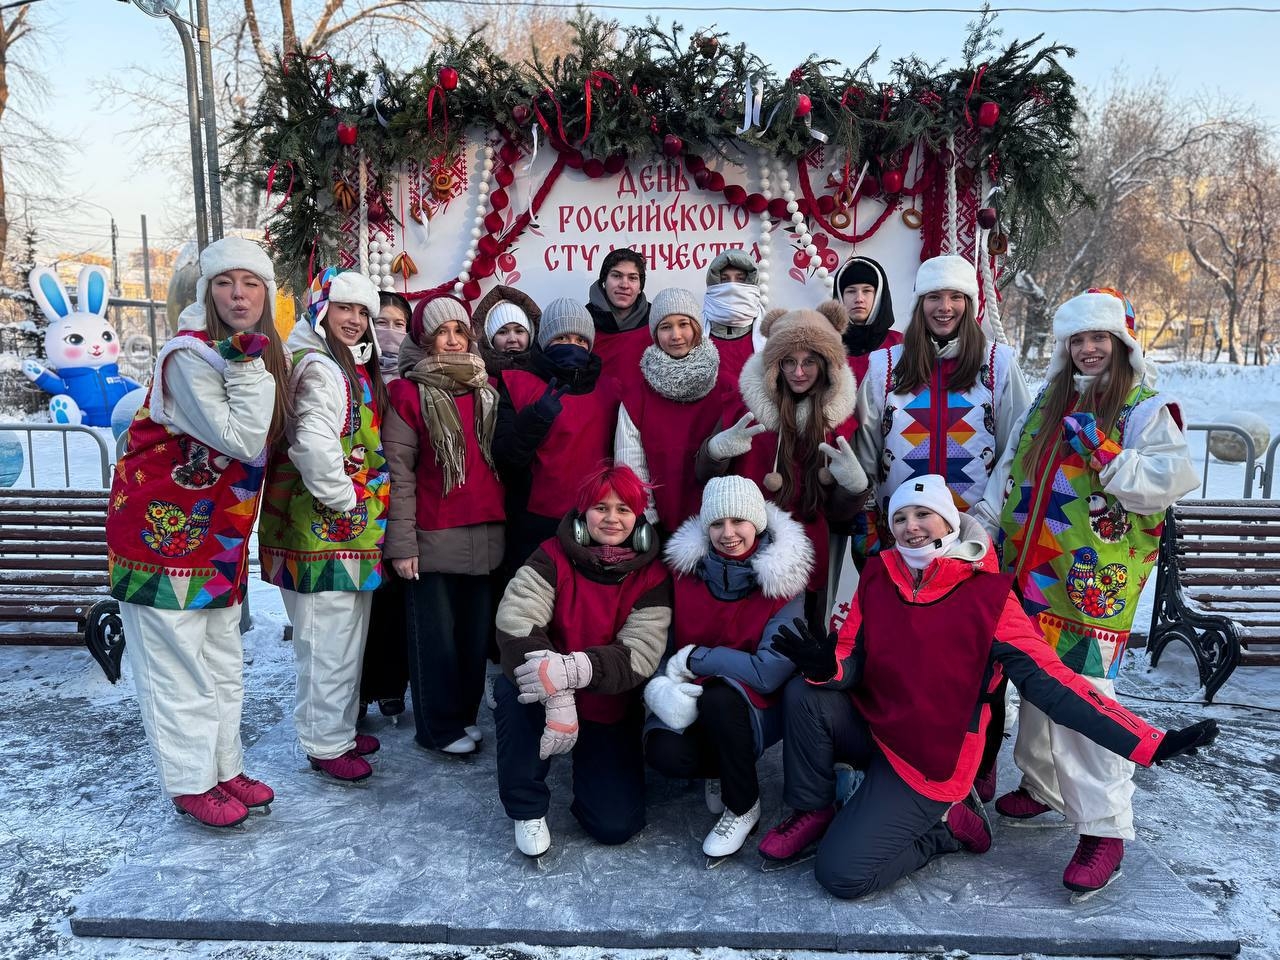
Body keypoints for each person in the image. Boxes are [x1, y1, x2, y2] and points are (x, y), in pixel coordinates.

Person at [755, 474, 1219, 899]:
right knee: (806, 692)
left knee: (842, 876)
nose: (911, 526)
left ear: (949, 521)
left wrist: (1148, 742)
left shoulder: (988, 597)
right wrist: (826, 667)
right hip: (877, 723)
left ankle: (950, 824)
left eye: (923, 514)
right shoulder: (879, 574)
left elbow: (1055, 685)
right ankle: (811, 809)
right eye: (900, 517)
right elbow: (850, 659)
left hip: (928, 757)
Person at [977, 288, 1199, 894]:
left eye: (1098, 338)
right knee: (1035, 688)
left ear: (1120, 342)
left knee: (1084, 702)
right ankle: (1044, 786)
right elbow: (1008, 477)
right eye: (1078, 340)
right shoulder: (1047, 402)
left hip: (1091, 588)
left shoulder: (1145, 409)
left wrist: (1107, 455)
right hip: (1027, 575)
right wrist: (980, 532)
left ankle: (1104, 827)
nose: (1089, 349)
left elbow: (1169, 482)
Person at [106, 236, 290, 828]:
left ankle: (223, 766)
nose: (240, 295)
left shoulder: (239, 354)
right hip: (162, 541)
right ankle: (190, 780)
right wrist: (248, 367)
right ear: (206, 292)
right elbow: (239, 438)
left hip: (215, 538)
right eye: (226, 283)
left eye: (252, 283)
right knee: (176, 663)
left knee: (220, 657)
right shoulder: (190, 355)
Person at [495, 464, 671, 856]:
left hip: (608, 701)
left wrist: (572, 670)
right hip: (543, 693)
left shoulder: (653, 576)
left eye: (623, 509)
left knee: (614, 825)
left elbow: (641, 653)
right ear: (582, 514)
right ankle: (527, 808)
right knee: (512, 689)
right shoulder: (550, 556)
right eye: (600, 508)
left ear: (639, 518)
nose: (611, 519)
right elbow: (516, 621)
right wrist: (556, 692)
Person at [258, 268, 390, 784]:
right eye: (345, 309)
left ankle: (336, 727)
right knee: (325, 641)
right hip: (321, 531)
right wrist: (345, 501)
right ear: (322, 310)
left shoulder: (343, 365)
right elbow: (312, 444)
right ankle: (324, 742)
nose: (355, 320)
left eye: (363, 312)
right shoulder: (318, 368)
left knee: (345, 637)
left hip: (342, 536)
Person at [645, 476, 812, 859]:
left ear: (758, 524)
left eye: (739, 521)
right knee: (662, 753)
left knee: (720, 700)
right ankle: (719, 767)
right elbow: (662, 645)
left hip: (749, 702)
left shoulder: (783, 582)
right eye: (717, 523)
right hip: (688, 689)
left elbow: (768, 670)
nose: (728, 533)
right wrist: (663, 687)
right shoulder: (682, 574)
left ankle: (743, 805)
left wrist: (697, 657)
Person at [383, 294, 505, 757]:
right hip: (432, 533)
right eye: (442, 332)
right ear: (424, 339)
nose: (452, 340)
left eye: (459, 330)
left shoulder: (485, 389)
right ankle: (437, 727)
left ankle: (463, 717)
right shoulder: (408, 394)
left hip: (486, 531)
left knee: (474, 638)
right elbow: (400, 472)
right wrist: (402, 544)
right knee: (436, 639)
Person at [698, 302, 868, 624]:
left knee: (802, 637)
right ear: (774, 364)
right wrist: (716, 452)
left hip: (809, 551)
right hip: (746, 548)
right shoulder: (742, 408)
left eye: (808, 362)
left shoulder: (841, 424)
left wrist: (855, 488)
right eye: (788, 362)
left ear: (826, 364)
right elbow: (705, 478)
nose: (798, 372)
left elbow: (839, 513)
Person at [855, 254, 1031, 520]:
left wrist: (994, 519)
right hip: (902, 530)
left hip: (974, 528)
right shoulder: (885, 366)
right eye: (934, 296)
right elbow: (866, 452)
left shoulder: (999, 364)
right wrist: (867, 522)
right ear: (920, 303)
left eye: (956, 297)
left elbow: (1016, 449)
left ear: (969, 303)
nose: (945, 307)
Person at [493, 298, 623, 570]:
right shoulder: (517, 384)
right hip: (534, 524)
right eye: (561, 337)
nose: (571, 345)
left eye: (579, 339)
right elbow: (504, 459)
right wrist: (534, 419)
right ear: (544, 341)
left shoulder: (612, 390)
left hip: (595, 521)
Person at [614, 287, 727, 534]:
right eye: (666, 327)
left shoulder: (725, 389)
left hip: (721, 525)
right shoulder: (637, 398)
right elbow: (631, 468)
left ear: (696, 327)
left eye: (683, 324)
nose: (676, 335)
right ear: (655, 333)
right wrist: (649, 520)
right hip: (660, 525)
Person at [359, 290, 412, 721]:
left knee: (395, 600)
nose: (389, 333)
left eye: (399, 324)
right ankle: (355, 696)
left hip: (402, 502)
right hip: (355, 503)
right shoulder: (353, 374)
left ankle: (392, 686)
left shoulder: (415, 381)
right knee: (360, 605)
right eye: (382, 322)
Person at [585, 248, 651, 389]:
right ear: (604, 280)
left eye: (632, 278)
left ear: (640, 286)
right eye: (616, 276)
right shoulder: (583, 320)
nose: (624, 285)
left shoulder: (657, 321)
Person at [831, 253, 902, 383]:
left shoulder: (900, 345)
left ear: (879, 295)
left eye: (867, 291)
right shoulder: (826, 346)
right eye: (851, 291)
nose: (859, 299)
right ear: (840, 297)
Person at [703, 249, 765, 383]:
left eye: (740, 279)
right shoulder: (694, 330)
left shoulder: (770, 333)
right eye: (724, 279)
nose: (732, 286)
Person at [471, 283, 541, 377]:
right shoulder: (477, 378)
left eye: (519, 331)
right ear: (489, 339)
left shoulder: (547, 373)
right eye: (502, 332)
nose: (512, 339)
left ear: (531, 335)